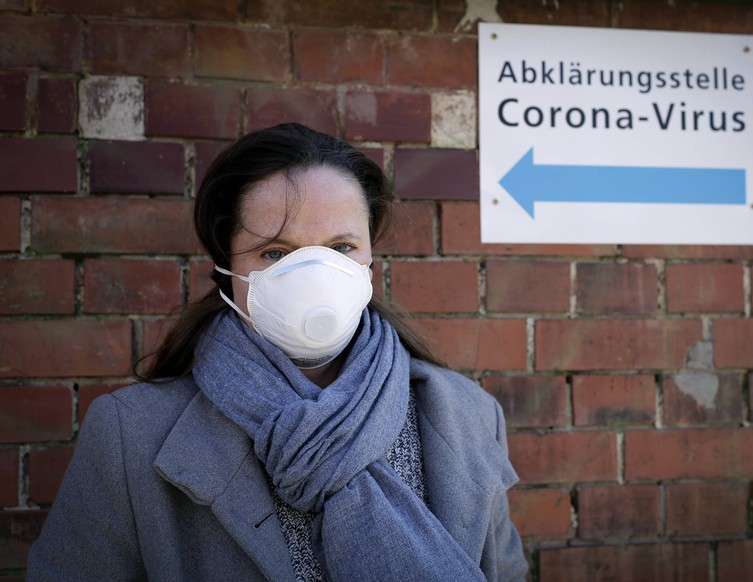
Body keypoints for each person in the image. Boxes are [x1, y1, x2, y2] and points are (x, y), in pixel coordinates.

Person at [27, 123, 527, 581]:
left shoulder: (468, 415)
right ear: (227, 267)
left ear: (371, 258)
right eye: (275, 253)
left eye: (341, 248)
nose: (315, 276)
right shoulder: (129, 435)